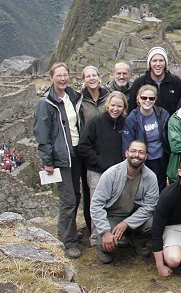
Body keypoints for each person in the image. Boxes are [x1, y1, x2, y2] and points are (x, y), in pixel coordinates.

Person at [32, 62, 83, 259]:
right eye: (58, 76)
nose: (62, 79)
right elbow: (42, 133)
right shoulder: (46, 103)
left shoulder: (71, 97)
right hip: (61, 158)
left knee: (76, 196)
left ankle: (67, 232)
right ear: (51, 77)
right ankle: (68, 242)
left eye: (65, 75)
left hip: (76, 153)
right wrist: (48, 160)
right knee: (68, 200)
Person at [90, 140, 159, 264]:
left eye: (141, 152)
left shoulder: (150, 177)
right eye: (133, 151)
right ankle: (105, 249)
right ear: (126, 153)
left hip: (133, 217)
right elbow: (96, 204)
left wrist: (126, 223)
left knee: (155, 222)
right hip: (111, 217)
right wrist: (105, 231)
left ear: (146, 156)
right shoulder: (111, 174)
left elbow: (150, 206)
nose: (137, 155)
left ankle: (137, 241)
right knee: (103, 240)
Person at [76, 65, 110, 238]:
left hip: (108, 149)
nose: (91, 78)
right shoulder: (80, 100)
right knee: (91, 194)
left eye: (94, 75)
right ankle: (94, 232)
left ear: (99, 76)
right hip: (89, 150)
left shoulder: (108, 96)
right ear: (83, 79)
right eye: (87, 76)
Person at [78, 92, 129, 204]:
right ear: (107, 105)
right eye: (113, 105)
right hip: (98, 172)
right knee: (98, 205)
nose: (115, 109)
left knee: (117, 205)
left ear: (124, 107)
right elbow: (83, 145)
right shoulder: (95, 121)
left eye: (119, 106)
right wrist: (98, 161)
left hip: (119, 173)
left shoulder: (126, 123)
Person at [124, 85, 171, 192]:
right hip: (141, 160)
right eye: (144, 98)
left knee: (159, 190)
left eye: (151, 98)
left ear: (155, 100)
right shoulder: (132, 118)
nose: (147, 101)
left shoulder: (163, 114)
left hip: (160, 159)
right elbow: (127, 143)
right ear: (138, 99)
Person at [129, 47, 181, 115]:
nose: (158, 64)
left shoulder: (176, 82)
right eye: (154, 60)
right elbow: (131, 109)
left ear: (165, 63)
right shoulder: (139, 83)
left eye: (161, 60)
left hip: (171, 124)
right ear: (149, 63)